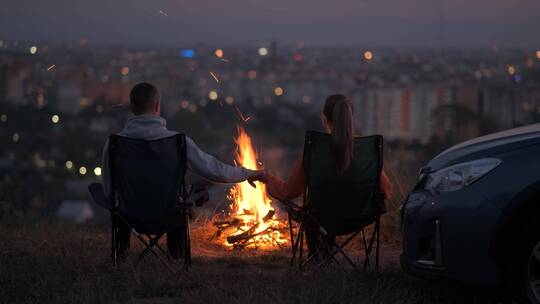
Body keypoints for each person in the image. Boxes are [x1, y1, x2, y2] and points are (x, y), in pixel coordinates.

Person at [101, 82, 264, 259]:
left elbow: (109, 187)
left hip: (128, 216)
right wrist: (247, 173)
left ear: (132, 107)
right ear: (157, 106)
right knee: (179, 203)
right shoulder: (177, 142)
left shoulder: (114, 144)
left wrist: (118, 203)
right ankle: (176, 258)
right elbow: (215, 170)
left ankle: (120, 257)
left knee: (119, 203)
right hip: (169, 216)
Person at [265, 94, 393, 258]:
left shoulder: (314, 151)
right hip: (359, 217)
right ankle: (324, 255)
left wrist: (269, 179)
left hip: (320, 219)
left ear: (324, 118)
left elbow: (289, 192)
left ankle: (319, 257)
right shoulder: (366, 153)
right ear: (350, 118)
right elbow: (387, 190)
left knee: (310, 212)